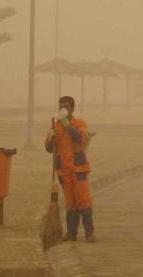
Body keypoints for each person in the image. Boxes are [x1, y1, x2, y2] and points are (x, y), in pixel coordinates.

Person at [45, 96, 95, 242]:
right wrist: (51, 139)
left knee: (84, 201)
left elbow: (81, 138)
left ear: (72, 108)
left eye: (66, 107)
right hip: (63, 171)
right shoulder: (55, 126)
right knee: (70, 203)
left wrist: (66, 124)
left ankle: (89, 233)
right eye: (60, 107)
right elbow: (49, 149)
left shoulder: (79, 124)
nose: (63, 109)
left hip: (78, 169)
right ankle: (71, 233)